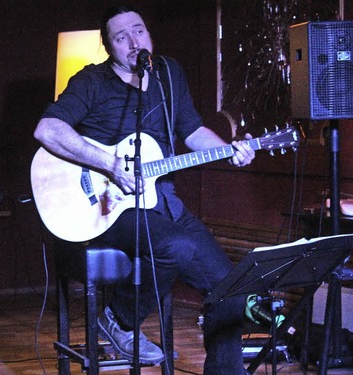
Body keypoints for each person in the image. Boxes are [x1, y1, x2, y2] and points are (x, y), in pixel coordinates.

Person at [34, 5, 255, 374]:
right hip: (108, 206)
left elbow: (192, 131)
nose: (133, 42)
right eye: (121, 37)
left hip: (160, 201)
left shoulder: (169, 73)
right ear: (108, 47)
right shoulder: (91, 82)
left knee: (230, 285)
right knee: (178, 246)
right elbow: (47, 130)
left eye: (138, 31)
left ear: (149, 35)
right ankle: (118, 321)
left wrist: (229, 151)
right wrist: (109, 165)